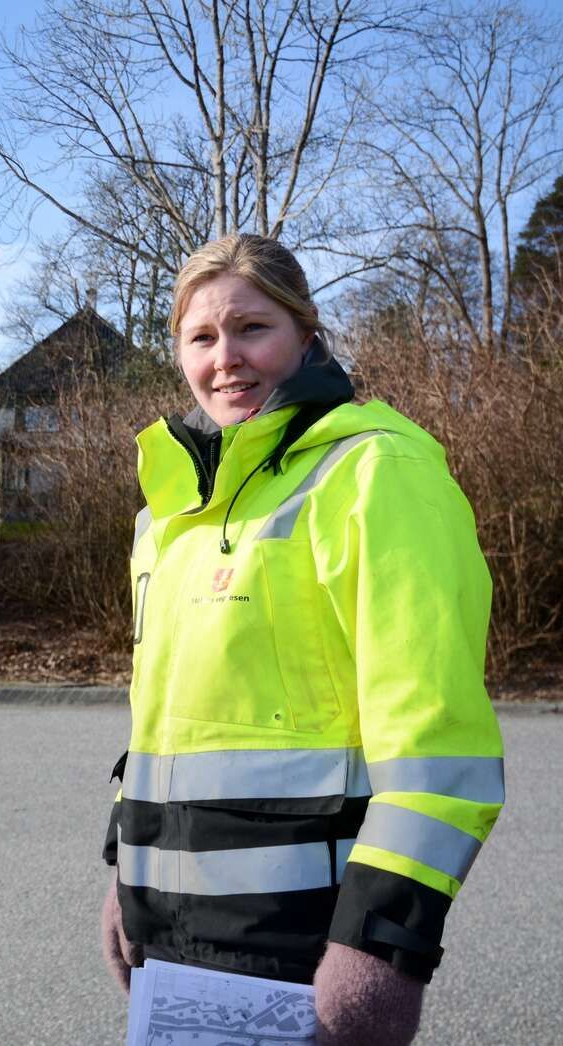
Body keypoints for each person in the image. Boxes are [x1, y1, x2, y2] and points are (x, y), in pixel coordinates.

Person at [98, 235, 504, 1045]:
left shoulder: (376, 473)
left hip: (309, 950)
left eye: (252, 328)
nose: (225, 358)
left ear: (306, 334)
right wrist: (126, 876)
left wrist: (381, 946)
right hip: (175, 952)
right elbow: (165, 730)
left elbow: (436, 747)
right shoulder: (168, 516)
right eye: (201, 337)